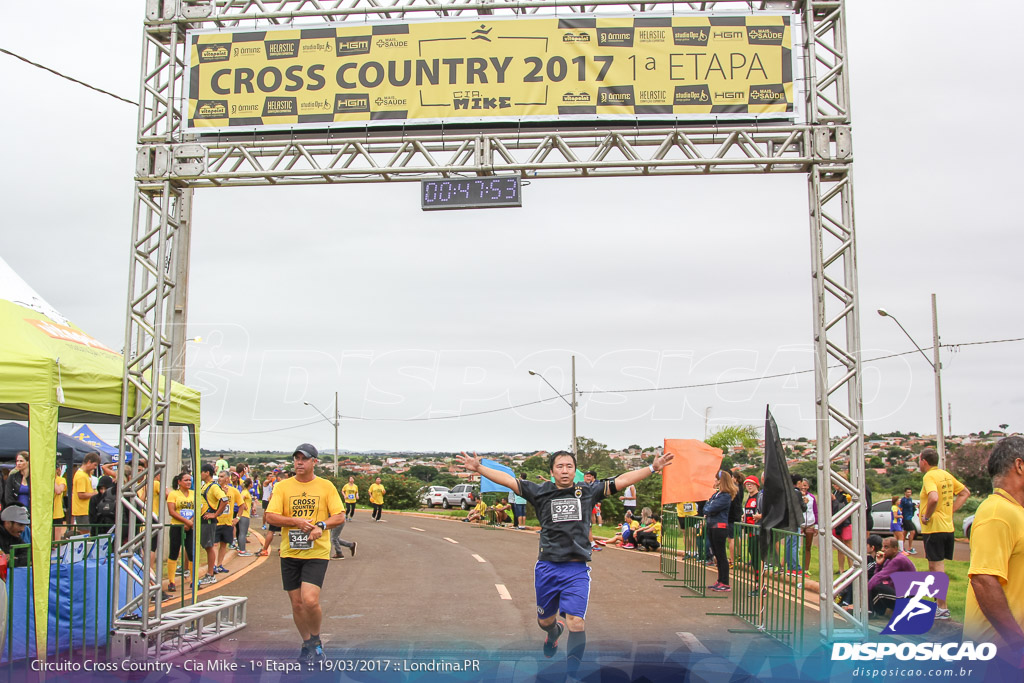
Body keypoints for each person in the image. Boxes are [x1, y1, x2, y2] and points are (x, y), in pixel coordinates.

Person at [457, 449, 673, 681]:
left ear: (575, 470)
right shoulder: (540, 491)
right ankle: (553, 631)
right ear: (551, 472)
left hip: (576, 568)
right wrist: (479, 468)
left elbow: (620, 480)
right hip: (547, 567)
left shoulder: (587, 491)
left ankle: (572, 674)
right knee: (544, 621)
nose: (565, 470)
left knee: (576, 622)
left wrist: (653, 468)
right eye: (560, 466)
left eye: (569, 466)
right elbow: (509, 481)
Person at [264, 443, 345, 664]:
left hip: (316, 552)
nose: (299, 462)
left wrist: (320, 525)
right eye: (296, 458)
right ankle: (307, 642)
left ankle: (316, 640)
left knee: (309, 600)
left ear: (314, 462)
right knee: (297, 603)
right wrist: (295, 521)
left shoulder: (326, 486)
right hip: (290, 551)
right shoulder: (282, 487)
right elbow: (270, 516)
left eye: (304, 459)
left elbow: (339, 515)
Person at [964, 436, 1024, 657]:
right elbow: (984, 580)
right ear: (1019, 466)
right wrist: (1017, 645)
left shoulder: (1015, 512)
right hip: (997, 656)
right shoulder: (997, 513)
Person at [918, 446, 970, 620]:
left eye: (919, 461)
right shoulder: (946, 475)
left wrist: (926, 516)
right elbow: (965, 493)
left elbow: (933, 497)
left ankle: (942, 608)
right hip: (947, 528)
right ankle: (939, 606)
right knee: (935, 567)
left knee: (937, 568)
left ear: (924, 461)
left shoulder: (930, 476)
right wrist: (951, 511)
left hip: (934, 528)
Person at [867, 536, 915, 617]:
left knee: (876, 587)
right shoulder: (890, 559)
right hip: (900, 593)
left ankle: (871, 612)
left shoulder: (898, 560)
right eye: (882, 546)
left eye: (886, 547)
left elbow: (878, 577)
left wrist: (866, 591)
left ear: (895, 549)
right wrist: (879, 564)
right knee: (875, 587)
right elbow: (878, 577)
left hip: (908, 598)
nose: (882, 549)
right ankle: (876, 612)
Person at [705, 471, 738, 591]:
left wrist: (708, 508)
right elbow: (707, 507)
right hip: (713, 525)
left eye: (715, 479)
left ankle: (725, 582)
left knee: (721, 555)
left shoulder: (725, 496)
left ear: (720, 481)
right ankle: (720, 580)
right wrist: (708, 508)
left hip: (719, 527)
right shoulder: (716, 495)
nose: (714, 481)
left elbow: (711, 508)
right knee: (717, 555)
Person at [198, 463, 229, 586]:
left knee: (209, 546)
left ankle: (210, 574)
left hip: (208, 520)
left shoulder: (213, 487)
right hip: (202, 519)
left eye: (201, 472)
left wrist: (215, 514)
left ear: (206, 472)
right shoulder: (205, 486)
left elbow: (224, 499)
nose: (200, 474)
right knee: (206, 546)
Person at [165, 473, 196, 592]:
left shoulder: (194, 494)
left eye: (190, 480)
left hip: (190, 527)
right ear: (179, 482)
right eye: (186, 480)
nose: (188, 482)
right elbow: (172, 511)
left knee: (191, 552)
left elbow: (198, 509)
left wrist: (190, 522)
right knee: (174, 552)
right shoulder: (173, 494)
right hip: (177, 526)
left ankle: (193, 580)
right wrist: (185, 522)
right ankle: (171, 581)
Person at [214, 470, 240, 574]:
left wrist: (237, 518)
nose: (219, 478)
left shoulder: (233, 491)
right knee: (214, 544)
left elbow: (241, 505)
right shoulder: (214, 489)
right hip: (216, 522)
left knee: (223, 544)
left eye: (222, 476)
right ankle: (214, 565)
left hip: (227, 522)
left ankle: (220, 564)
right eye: (218, 476)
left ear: (227, 478)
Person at [72, 452, 101, 534]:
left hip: (85, 510)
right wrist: (95, 493)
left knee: (88, 534)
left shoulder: (84, 475)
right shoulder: (81, 476)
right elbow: (81, 494)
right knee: (86, 534)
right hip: (83, 511)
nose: (95, 468)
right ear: (88, 462)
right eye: (95, 465)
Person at [797, 477, 817, 571]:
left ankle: (806, 568)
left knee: (807, 547)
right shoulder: (796, 496)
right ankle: (792, 566)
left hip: (809, 524)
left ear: (808, 486)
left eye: (805, 485)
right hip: (799, 524)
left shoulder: (812, 497)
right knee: (795, 546)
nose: (803, 487)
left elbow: (815, 511)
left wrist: (816, 525)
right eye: (802, 485)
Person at [237, 478, 254, 556]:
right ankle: (242, 550)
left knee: (242, 533)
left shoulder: (246, 492)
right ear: (250, 484)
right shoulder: (245, 492)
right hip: (244, 515)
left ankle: (241, 548)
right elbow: (241, 499)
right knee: (243, 533)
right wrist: (244, 506)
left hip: (245, 514)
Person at [899, 487, 918, 555]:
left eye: (910, 492)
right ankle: (909, 548)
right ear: (905, 493)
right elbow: (900, 508)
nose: (909, 493)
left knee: (905, 533)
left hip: (910, 517)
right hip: (906, 518)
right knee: (912, 532)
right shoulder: (903, 500)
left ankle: (902, 548)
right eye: (908, 492)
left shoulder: (910, 499)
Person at [53, 463, 67, 541]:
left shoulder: (61, 480)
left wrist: (52, 479)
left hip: (57, 513)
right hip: (45, 513)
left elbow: (58, 490)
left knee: (56, 541)